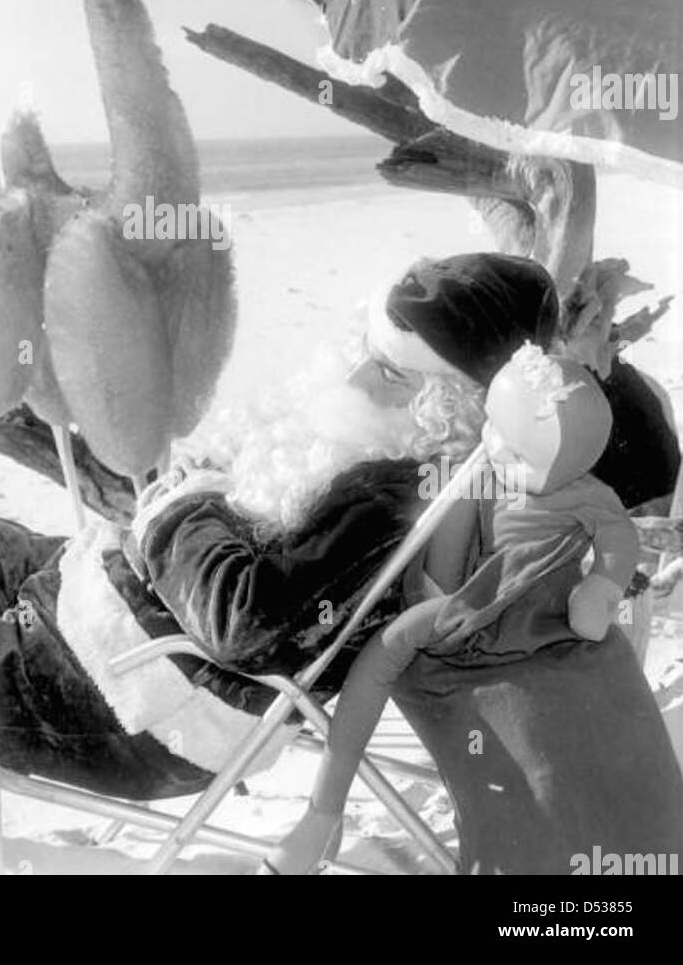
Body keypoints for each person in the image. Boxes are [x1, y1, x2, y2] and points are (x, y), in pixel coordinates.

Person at [0, 253, 679, 873]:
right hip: (103, 622)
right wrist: (192, 503)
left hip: (123, 702)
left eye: (384, 368)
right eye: (361, 348)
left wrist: (176, 508)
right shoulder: (376, 458)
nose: (349, 372)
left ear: (448, 403)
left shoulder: (388, 499)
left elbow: (245, 620)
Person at [261, 345, 640, 874]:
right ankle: (323, 811)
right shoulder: (473, 474)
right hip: (468, 606)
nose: (495, 447)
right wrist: (446, 597)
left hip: (535, 608)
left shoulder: (585, 496)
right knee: (389, 649)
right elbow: (447, 545)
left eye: (516, 453)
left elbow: (619, 538)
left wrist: (603, 585)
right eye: (492, 427)